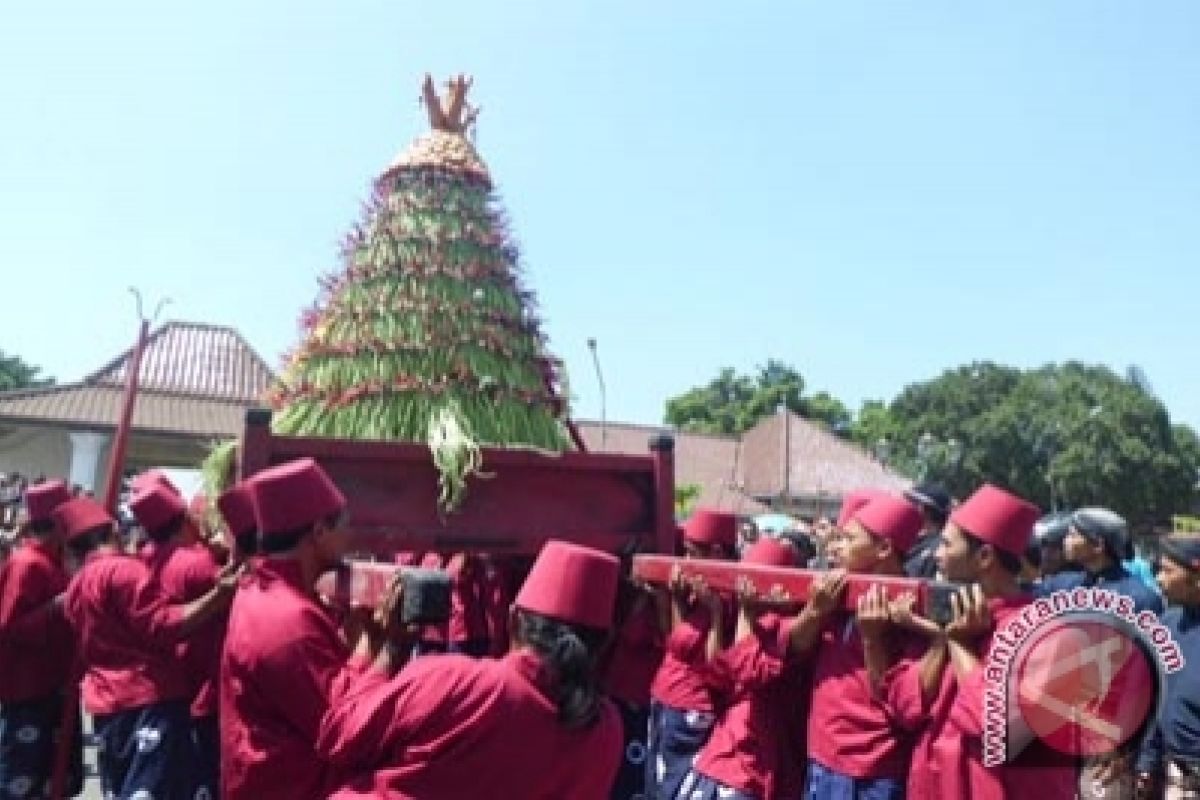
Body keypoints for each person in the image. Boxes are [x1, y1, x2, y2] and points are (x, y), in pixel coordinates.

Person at [316, 540, 625, 799]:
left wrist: (382, 649)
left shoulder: (458, 681)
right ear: (604, 641)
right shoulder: (606, 729)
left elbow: (341, 736)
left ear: (514, 619)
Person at [885, 483, 1077, 799]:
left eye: (947, 545)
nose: (936, 553)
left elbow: (998, 724)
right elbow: (905, 707)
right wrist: (939, 641)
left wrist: (960, 646)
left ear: (985, 556)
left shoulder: (1045, 633)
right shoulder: (945, 613)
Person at [220, 457, 381, 800]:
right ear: (319, 532)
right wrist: (376, 644)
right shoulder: (288, 620)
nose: (351, 533)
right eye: (344, 522)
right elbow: (342, 730)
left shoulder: (263, 591)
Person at [57, 494, 236, 800]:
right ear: (113, 531)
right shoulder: (124, 571)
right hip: (148, 697)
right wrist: (219, 596)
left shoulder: (76, 585)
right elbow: (163, 626)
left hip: (108, 702)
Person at [796, 495, 927, 799]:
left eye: (847, 539)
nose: (834, 547)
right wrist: (815, 612)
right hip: (822, 756)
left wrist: (874, 638)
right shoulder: (832, 595)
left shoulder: (912, 611)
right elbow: (791, 651)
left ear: (883, 549)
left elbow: (903, 705)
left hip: (872, 770)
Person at [676, 537, 807, 800]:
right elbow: (718, 674)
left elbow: (747, 673)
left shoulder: (789, 631)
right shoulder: (745, 616)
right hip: (723, 752)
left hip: (755, 761)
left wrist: (748, 614)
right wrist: (717, 613)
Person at [129, 480, 226, 798]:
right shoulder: (196, 563)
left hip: (168, 684)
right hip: (204, 686)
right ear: (184, 518)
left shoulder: (144, 558)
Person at [646, 511, 738, 799]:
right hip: (668, 700)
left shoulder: (730, 598)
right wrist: (675, 599)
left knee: (678, 789)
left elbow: (717, 667)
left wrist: (715, 614)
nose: (686, 562)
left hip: (692, 710)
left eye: (692, 553)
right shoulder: (699, 590)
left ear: (717, 552)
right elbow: (678, 642)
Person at [0, 479, 83, 799]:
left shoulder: (55, 560)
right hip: (30, 690)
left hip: (56, 684)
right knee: (23, 781)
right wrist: (56, 606)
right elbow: (9, 629)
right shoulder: (27, 565)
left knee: (56, 781)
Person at [1136, 535, 1200, 799]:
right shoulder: (1166, 626)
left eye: (1168, 570)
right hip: (1175, 774)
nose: (1159, 580)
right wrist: (1147, 761)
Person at [1038, 507, 1163, 615]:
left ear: (1098, 545)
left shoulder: (1140, 598)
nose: (1066, 541)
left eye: (1072, 535)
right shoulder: (1061, 585)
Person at [902, 483, 952, 579]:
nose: (904, 507)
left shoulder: (935, 550)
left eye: (909, 501)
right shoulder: (918, 539)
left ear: (921, 509)